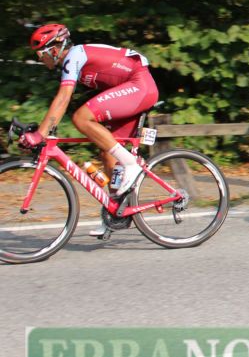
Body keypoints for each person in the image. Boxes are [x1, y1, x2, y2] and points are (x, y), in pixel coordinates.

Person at [24, 24, 160, 238]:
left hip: (139, 85)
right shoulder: (72, 61)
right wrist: (45, 128)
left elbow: (63, 98)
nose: (40, 59)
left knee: (81, 117)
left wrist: (40, 134)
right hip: (132, 88)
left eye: (40, 54)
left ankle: (131, 165)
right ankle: (115, 213)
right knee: (108, 152)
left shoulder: (74, 57)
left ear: (54, 49)